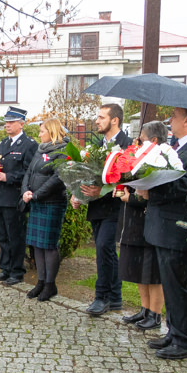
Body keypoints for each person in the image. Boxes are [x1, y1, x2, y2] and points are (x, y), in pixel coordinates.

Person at [136, 107, 187, 360]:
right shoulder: (179, 146)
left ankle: (184, 341)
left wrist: (153, 190)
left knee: (178, 285)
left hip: (178, 228)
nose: (170, 121)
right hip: (165, 227)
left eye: (174, 116)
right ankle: (174, 333)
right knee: (170, 284)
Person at [71, 104, 133, 316]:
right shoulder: (96, 145)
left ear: (114, 120)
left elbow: (128, 179)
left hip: (115, 206)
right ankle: (115, 296)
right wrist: (79, 194)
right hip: (97, 207)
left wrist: (103, 191)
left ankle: (102, 296)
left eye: (101, 117)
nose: (96, 121)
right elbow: (88, 174)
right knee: (106, 251)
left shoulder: (127, 145)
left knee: (103, 247)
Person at [118, 121, 167, 331]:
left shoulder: (162, 161)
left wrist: (131, 198)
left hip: (150, 221)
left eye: (143, 139)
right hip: (135, 221)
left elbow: (150, 196)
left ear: (154, 141)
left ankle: (155, 313)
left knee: (152, 271)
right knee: (139, 268)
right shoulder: (139, 157)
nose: (139, 142)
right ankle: (144, 309)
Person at [0, 106, 37, 285]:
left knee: (15, 236)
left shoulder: (29, 145)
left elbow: (29, 173)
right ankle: (5, 268)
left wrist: (8, 177)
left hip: (15, 197)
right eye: (6, 122)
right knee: (2, 236)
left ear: (21, 124)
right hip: (0, 196)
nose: (7, 125)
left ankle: (17, 272)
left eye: (11, 122)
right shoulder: (3, 143)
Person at [20, 118, 67, 301]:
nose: (39, 135)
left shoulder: (62, 151)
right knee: (36, 244)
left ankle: (50, 284)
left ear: (52, 131)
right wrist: (25, 191)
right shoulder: (41, 150)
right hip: (36, 202)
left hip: (52, 203)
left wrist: (37, 194)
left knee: (49, 245)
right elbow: (29, 172)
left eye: (42, 131)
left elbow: (58, 178)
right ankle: (40, 281)